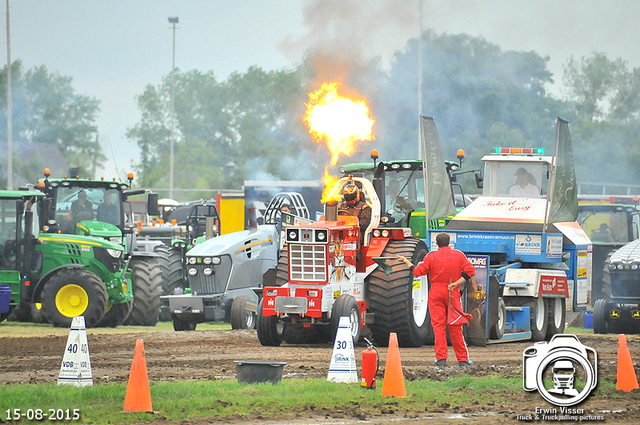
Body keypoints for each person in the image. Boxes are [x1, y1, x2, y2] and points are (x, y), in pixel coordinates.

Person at [397, 232, 476, 367]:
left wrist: (406, 261)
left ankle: (441, 359)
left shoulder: (431, 256)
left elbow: (417, 272)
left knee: (438, 327)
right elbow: (470, 271)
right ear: (449, 242)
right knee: (456, 327)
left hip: (435, 293)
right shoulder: (458, 255)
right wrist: (456, 283)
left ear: (437, 243)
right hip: (453, 292)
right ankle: (463, 360)